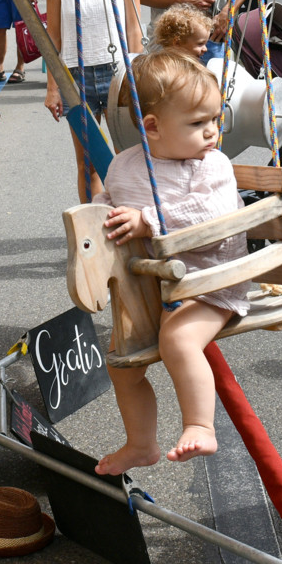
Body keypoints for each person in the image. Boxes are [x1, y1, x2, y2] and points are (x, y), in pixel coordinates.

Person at [94, 51, 252, 473]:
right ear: (152, 128)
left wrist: (147, 220)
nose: (212, 132)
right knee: (122, 365)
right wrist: (101, 216)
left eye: (214, 120)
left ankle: (200, 425)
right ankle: (140, 444)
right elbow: (109, 202)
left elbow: (212, 214)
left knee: (178, 341)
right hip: (152, 285)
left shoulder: (211, 166)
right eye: (198, 123)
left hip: (210, 279)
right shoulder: (124, 165)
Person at [45, 0, 144, 201]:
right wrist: (52, 88)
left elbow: (133, 29)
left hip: (118, 73)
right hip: (76, 77)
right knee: (88, 164)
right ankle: (93, 235)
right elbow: (54, 38)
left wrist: (138, 75)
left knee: (127, 160)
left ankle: (130, 225)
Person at [150, 5, 215, 59]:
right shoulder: (167, 68)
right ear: (177, 43)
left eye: (205, 44)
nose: (205, 49)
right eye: (200, 44)